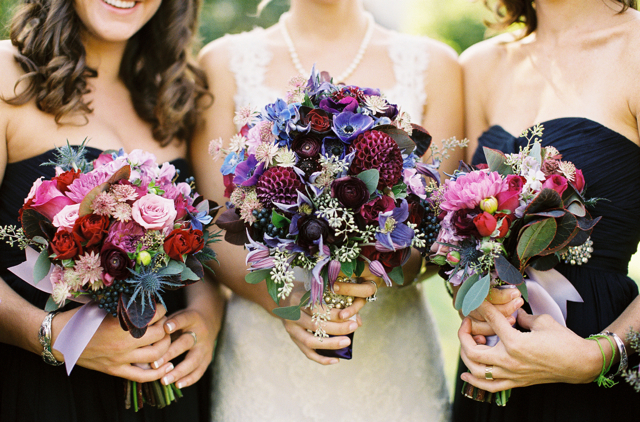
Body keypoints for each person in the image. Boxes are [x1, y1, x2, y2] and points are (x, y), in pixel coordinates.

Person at [191, 0, 465, 420]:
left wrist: (363, 273)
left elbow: (436, 231)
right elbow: (212, 227)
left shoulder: (437, 65)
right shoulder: (222, 62)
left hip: (390, 361)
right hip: (264, 363)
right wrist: (286, 297)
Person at [0, 1, 224, 421]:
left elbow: (204, 248)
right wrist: (51, 335)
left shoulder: (177, 96)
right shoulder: (6, 76)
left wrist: (207, 318)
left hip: (169, 390)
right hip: (42, 394)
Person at [454, 0, 640, 420]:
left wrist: (599, 356)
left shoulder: (635, 49)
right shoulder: (481, 64)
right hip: (488, 362)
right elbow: (457, 228)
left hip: (595, 365)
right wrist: (469, 295)